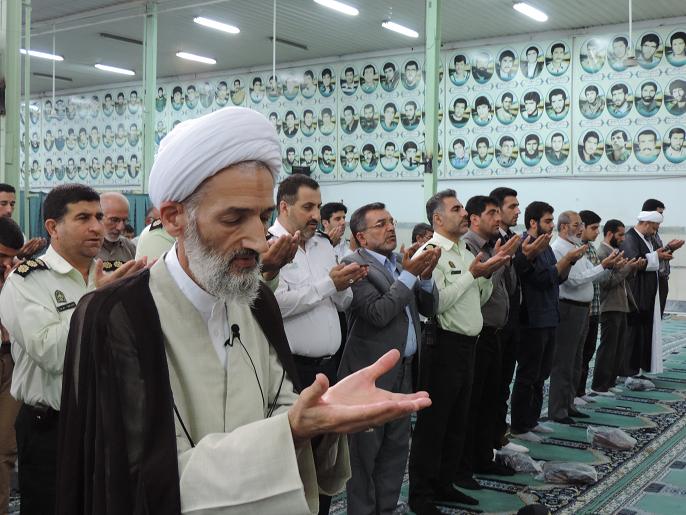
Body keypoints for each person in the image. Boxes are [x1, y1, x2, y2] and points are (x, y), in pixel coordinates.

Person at [56, 108, 431, 515]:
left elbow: (283, 405)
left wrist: (322, 418)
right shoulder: (116, 315)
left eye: (264, 217)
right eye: (234, 218)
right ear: (175, 218)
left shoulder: (255, 300)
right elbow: (137, 477)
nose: (258, 239)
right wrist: (290, 431)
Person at [0, 185, 145, 514]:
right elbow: (52, 353)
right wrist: (95, 301)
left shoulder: (113, 274)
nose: (97, 227)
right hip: (52, 428)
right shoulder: (27, 281)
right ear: (53, 227)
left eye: (98, 216)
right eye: (83, 218)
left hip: (109, 422)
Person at [409, 190, 514, 514]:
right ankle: (421, 495)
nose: (464, 213)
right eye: (456, 209)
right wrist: (472, 275)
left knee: (457, 421)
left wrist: (488, 272)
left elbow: (478, 298)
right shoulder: (430, 253)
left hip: (469, 345)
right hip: (443, 345)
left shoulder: (465, 252)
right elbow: (437, 304)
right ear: (438, 218)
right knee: (434, 424)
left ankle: (445, 483)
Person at [342, 203, 439, 515]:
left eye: (391, 222)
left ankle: (386, 509)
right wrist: (410, 275)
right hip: (371, 375)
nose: (390, 228)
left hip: (405, 371)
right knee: (364, 455)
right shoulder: (354, 266)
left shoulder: (399, 262)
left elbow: (429, 308)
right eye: (380, 224)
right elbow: (378, 313)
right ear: (361, 237)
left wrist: (425, 278)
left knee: (396, 450)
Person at [459, 196, 521, 488]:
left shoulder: (493, 245)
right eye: (492, 213)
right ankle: (466, 464)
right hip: (478, 334)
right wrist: (496, 262)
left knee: (490, 400)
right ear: (474, 219)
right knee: (473, 404)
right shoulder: (469, 248)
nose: (498, 219)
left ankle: (483, 457)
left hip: (497, 332)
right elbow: (477, 291)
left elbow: (506, 287)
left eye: (499, 213)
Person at [510, 202, 585, 440]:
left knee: (541, 374)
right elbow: (541, 279)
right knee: (528, 374)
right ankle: (520, 426)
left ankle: (532, 420)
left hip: (550, 315)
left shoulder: (545, 246)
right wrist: (566, 260)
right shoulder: (526, 246)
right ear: (533, 223)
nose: (552, 225)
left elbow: (557, 279)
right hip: (532, 319)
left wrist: (569, 262)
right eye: (548, 221)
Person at [489, 188, 529, 454]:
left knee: (503, 384)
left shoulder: (512, 238)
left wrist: (527, 255)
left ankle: (499, 437)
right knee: (492, 387)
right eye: (512, 206)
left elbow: (518, 278)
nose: (517, 211)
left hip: (512, 319)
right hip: (496, 325)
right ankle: (491, 440)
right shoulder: (493, 240)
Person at [620, 211, 677, 376]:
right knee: (634, 333)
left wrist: (665, 251)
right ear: (645, 223)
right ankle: (629, 372)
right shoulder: (630, 238)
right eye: (654, 227)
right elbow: (634, 261)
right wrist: (657, 256)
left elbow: (650, 257)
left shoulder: (646, 238)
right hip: (636, 293)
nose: (655, 231)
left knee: (643, 333)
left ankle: (638, 370)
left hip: (646, 293)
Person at [592, 220, 642, 395]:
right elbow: (607, 282)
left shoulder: (614, 252)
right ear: (609, 234)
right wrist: (627, 268)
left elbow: (622, 279)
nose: (623, 238)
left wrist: (633, 267)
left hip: (621, 305)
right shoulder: (602, 253)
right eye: (620, 235)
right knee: (608, 348)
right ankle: (600, 385)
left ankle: (610, 383)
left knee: (618, 348)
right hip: (609, 306)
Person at [0, 217, 24, 514]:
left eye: (12, 257)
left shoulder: (18, 278)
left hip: (10, 363)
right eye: (1, 255)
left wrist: (12, 286)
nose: (7, 263)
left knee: (4, 451)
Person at [641, 199, 684, 318]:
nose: (661, 217)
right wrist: (669, 247)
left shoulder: (655, 232)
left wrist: (671, 249)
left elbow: (659, 255)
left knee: (657, 318)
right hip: (652, 281)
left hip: (661, 279)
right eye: (659, 213)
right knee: (651, 318)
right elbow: (649, 257)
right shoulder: (645, 233)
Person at [0, 184, 46, 258]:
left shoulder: (18, 235)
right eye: (3, 204)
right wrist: (17, 255)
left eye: (12, 204)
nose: (9, 210)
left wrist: (24, 256)